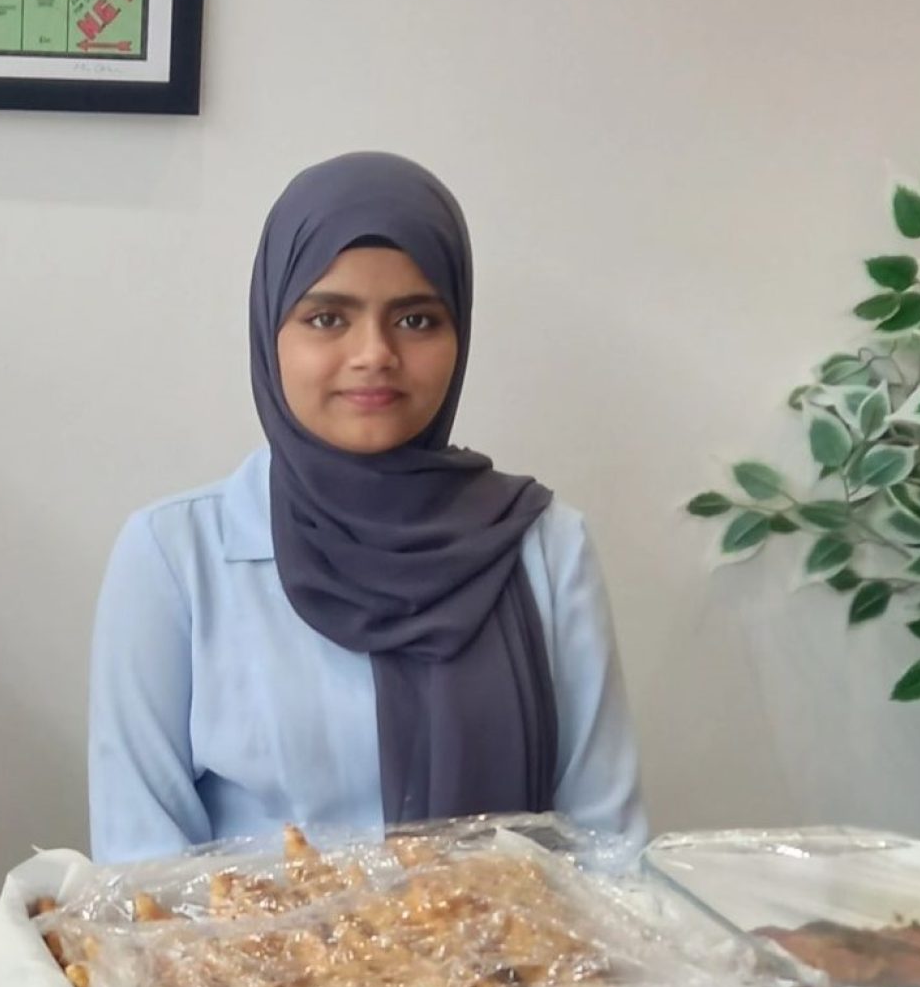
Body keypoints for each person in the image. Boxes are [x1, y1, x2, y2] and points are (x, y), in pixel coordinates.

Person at [88, 153, 644, 863]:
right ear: (270, 334)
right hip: (242, 972)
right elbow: (139, 867)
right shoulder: (176, 556)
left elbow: (607, 850)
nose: (375, 354)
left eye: (416, 319)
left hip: (505, 970)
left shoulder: (542, 546)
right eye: (327, 317)